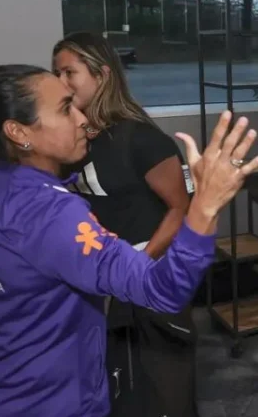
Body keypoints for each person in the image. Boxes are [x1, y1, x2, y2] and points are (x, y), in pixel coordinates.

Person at [0, 64, 258, 417]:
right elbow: (162, 289)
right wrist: (206, 206)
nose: (82, 119)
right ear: (19, 132)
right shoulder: (54, 214)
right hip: (47, 402)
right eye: (65, 109)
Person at [53, 32, 197, 417]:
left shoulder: (140, 138)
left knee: (165, 387)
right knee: (117, 382)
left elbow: (182, 210)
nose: (61, 82)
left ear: (101, 75)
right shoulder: (74, 139)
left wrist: (137, 267)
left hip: (152, 275)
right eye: (56, 73)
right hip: (103, 278)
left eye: (70, 72)